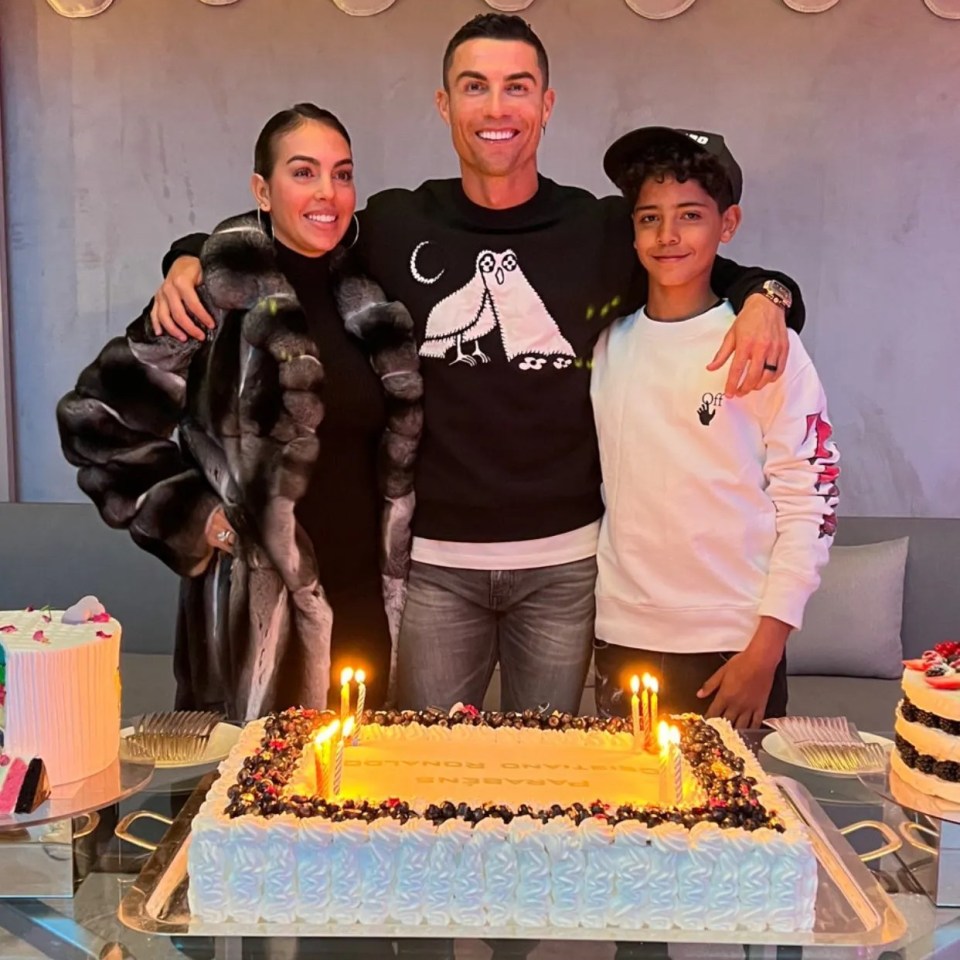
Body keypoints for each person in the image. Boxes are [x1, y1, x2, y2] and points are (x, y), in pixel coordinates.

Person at [149, 14, 805, 717]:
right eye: (475, 87)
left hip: (566, 566)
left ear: (546, 105)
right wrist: (190, 254)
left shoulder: (603, 229)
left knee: (541, 782)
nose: (497, 108)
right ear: (445, 104)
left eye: (517, 87)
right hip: (433, 567)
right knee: (423, 777)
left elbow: (708, 263)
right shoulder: (397, 224)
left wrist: (770, 296)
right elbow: (299, 229)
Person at [57, 104, 422, 721]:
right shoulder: (213, 297)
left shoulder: (373, 297)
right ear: (262, 188)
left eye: (342, 173)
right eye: (303, 173)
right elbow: (95, 421)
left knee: (353, 801)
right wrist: (202, 522)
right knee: (244, 808)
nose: (327, 194)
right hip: (251, 624)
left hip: (366, 603)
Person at [591, 126, 840, 728]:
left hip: (734, 644)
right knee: (625, 821)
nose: (668, 236)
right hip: (621, 634)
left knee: (736, 820)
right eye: (649, 217)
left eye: (691, 215)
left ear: (728, 225)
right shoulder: (604, 344)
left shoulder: (767, 344)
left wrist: (767, 648)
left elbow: (811, 499)